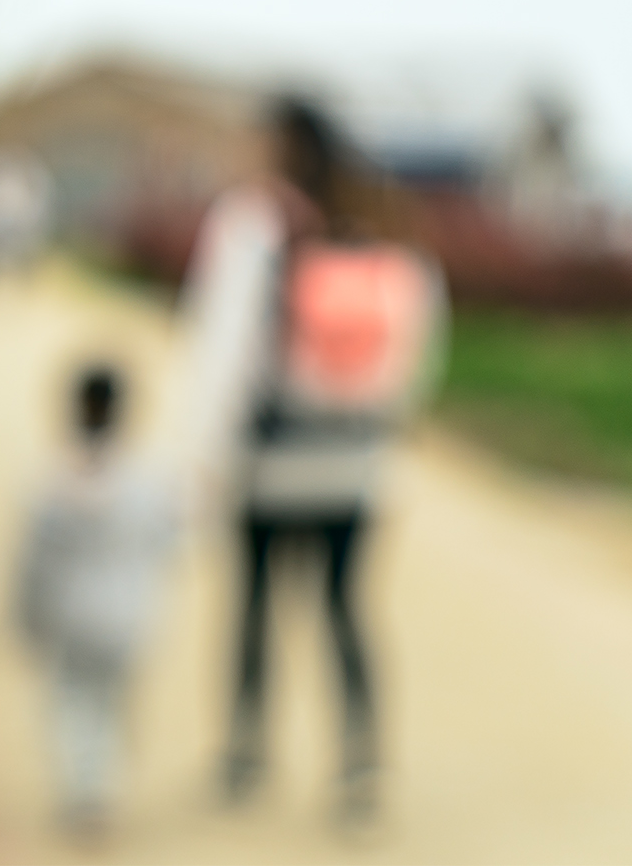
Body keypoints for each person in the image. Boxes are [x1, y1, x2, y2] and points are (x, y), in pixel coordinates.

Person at [175, 96, 447, 820]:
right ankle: (360, 762)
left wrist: (203, 458)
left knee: (256, 607)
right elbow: (418, 348)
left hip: (271, 459)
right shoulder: (380, 223)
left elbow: (222, 351)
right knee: (344, 611)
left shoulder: (255, 223)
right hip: (354, 464)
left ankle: (245, 752)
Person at [17, 365, 180, 835]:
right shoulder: (148, 479)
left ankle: (83, 791)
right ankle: (102, 788)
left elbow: (33, 563)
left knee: (73, 703)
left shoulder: (53, 482)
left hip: (72, 618)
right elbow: (170, 541)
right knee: (113, 704)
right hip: (131, 618)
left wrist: (26, 619)